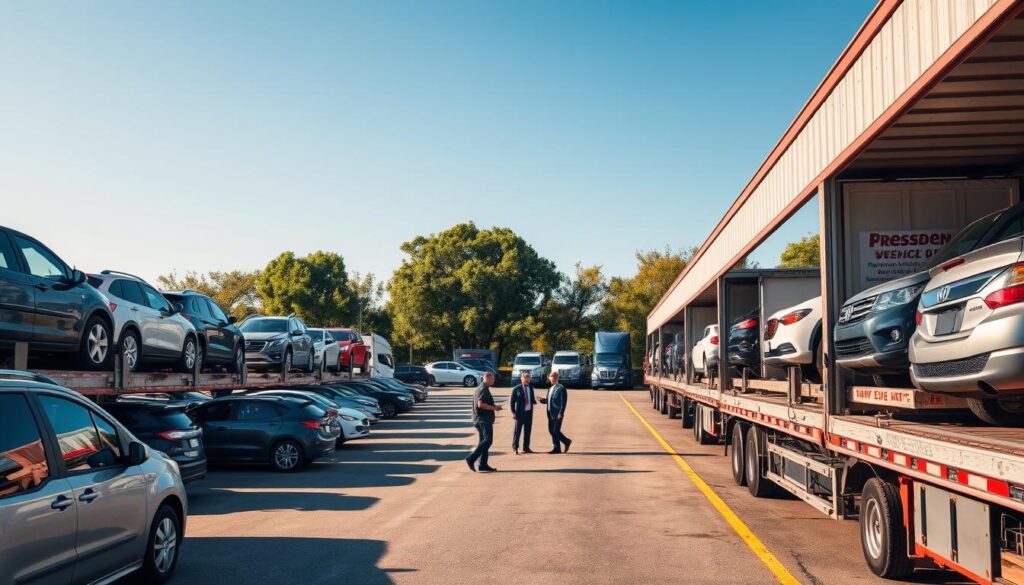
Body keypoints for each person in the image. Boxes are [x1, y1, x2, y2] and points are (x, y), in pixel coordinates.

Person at [466, 371, 502, 472]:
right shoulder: (482, 389)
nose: (494, 381)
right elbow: (480, 404)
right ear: (488, 378)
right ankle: (471, 459)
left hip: (481, 419)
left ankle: (483, 464)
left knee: (484, 442)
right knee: (487, 440)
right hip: (483, 420)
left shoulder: (482, 388)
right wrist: (494, 408)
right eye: (493, 379)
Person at [540, 370, 572, 454]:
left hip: (557, 413)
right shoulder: (550, 388)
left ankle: (567, 441)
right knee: (551, 430)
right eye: (550, 377)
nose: (550, 378)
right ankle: (556, 448)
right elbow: (548, 400)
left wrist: (561, 413)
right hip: (550, 413)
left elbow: (563, 402)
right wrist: (541, 400)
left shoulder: (561, 388)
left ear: (556, 378)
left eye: (552, 377)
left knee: (555, 430)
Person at [509, 371, 537, 455]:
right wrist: (513, 412)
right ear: (521, 379)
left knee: (527, 431)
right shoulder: (516, 389)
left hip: (529, 413)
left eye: (528, 380)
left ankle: (526, 447)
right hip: (519, 414)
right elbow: (512, 402)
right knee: (517, 431)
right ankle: (515, 447)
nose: (526, 381)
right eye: (525, 379)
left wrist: (536, 400)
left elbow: (531, 399)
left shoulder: (531, 388)